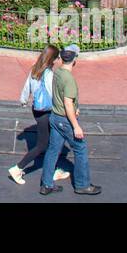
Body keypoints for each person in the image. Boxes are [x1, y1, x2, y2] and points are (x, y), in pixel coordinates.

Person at [39, 44, 101, 196]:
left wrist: (74, 106)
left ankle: (46, 184)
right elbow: (67, 103)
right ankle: (82, 184)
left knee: (53, 150)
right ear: (75, 60)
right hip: (65, 120)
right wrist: (76, 126)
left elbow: (60, 97)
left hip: (54, 117)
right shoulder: (70, 80)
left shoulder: (57, 72)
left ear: (61, 58)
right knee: (80, 149)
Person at [7, 45, 70, 186]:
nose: (59, 59)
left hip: (37, 110)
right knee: (44, 144)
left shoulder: (35, 69)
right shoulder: (48, 73)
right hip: (47, 112)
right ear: (52, 59)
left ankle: (52, 170)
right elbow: (53, 94)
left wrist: (23, 101)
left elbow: (26, 87)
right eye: (57, 57)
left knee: (53, 141)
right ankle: (18, 168)